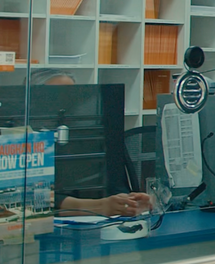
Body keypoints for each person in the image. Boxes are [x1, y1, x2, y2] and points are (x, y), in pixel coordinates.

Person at [28, 68, 152, 218]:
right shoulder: (23, 139)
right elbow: (35, 198)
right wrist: (101, 206)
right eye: (57, 94)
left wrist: (129, 202)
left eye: (71, 94)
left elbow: (111, 186)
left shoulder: (89, 136)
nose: (65, 101)